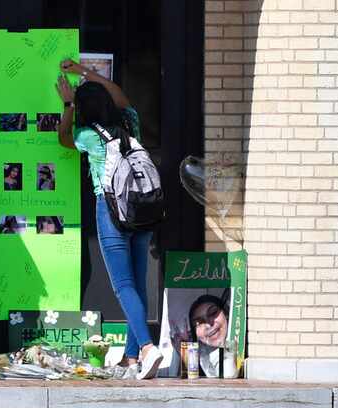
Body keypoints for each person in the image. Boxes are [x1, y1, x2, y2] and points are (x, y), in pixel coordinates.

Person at [55, 58, 163, 380]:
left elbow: (62, 137)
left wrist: (68, 103)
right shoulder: (131, 123)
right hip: (142, 211)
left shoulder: (87, 135)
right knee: (138, 283)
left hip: (112, 209)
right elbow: (119, 95)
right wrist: (83, 70)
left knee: (123, 285)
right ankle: (132, 358)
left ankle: (146, 347)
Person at [189, 293, 235, 377]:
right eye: (199, 322)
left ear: (226, 314)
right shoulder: (197, 363)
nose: (209, 323)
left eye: (213, 313)